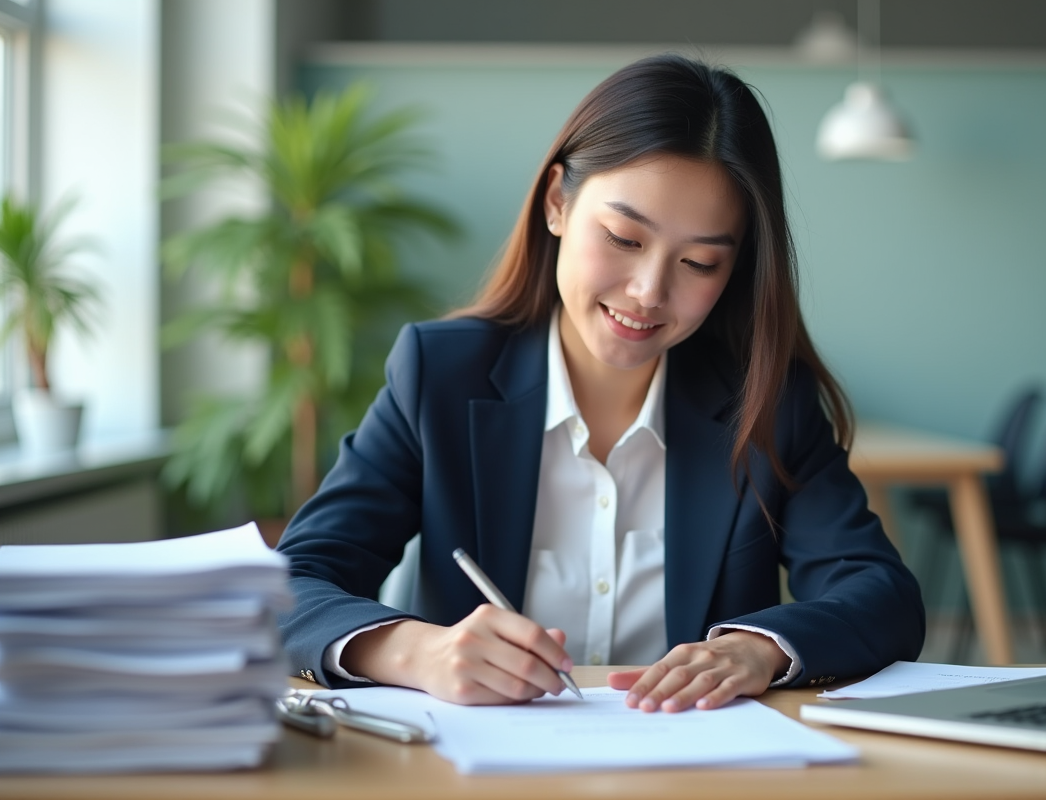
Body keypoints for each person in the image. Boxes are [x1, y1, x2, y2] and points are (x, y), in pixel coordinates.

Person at [276, 53, 924, 713]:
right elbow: (289, 585)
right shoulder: (438, 376)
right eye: (622, 238)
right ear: (557, 202)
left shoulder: (767, 400)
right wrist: (419, 652)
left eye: (699, 262)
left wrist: (760, 649)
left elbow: (882, 595)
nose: (648, 293)